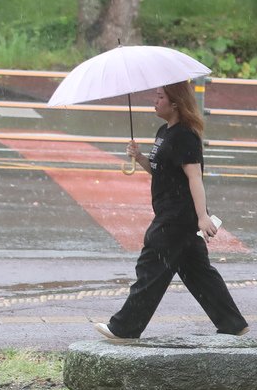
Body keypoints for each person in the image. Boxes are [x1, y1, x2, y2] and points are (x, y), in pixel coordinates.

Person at [94, 81, 248, 341]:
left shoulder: (185, 136)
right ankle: (232, 323)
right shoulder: (164, 131)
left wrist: (202, 216)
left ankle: (124, 328)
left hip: (177, 218)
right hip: (172, 213)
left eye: (159, 97)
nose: (155, 101)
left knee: (150, 268)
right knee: (198, 273)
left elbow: (194, 178)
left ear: (175, 103)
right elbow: (161, 172)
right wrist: (141, 157)